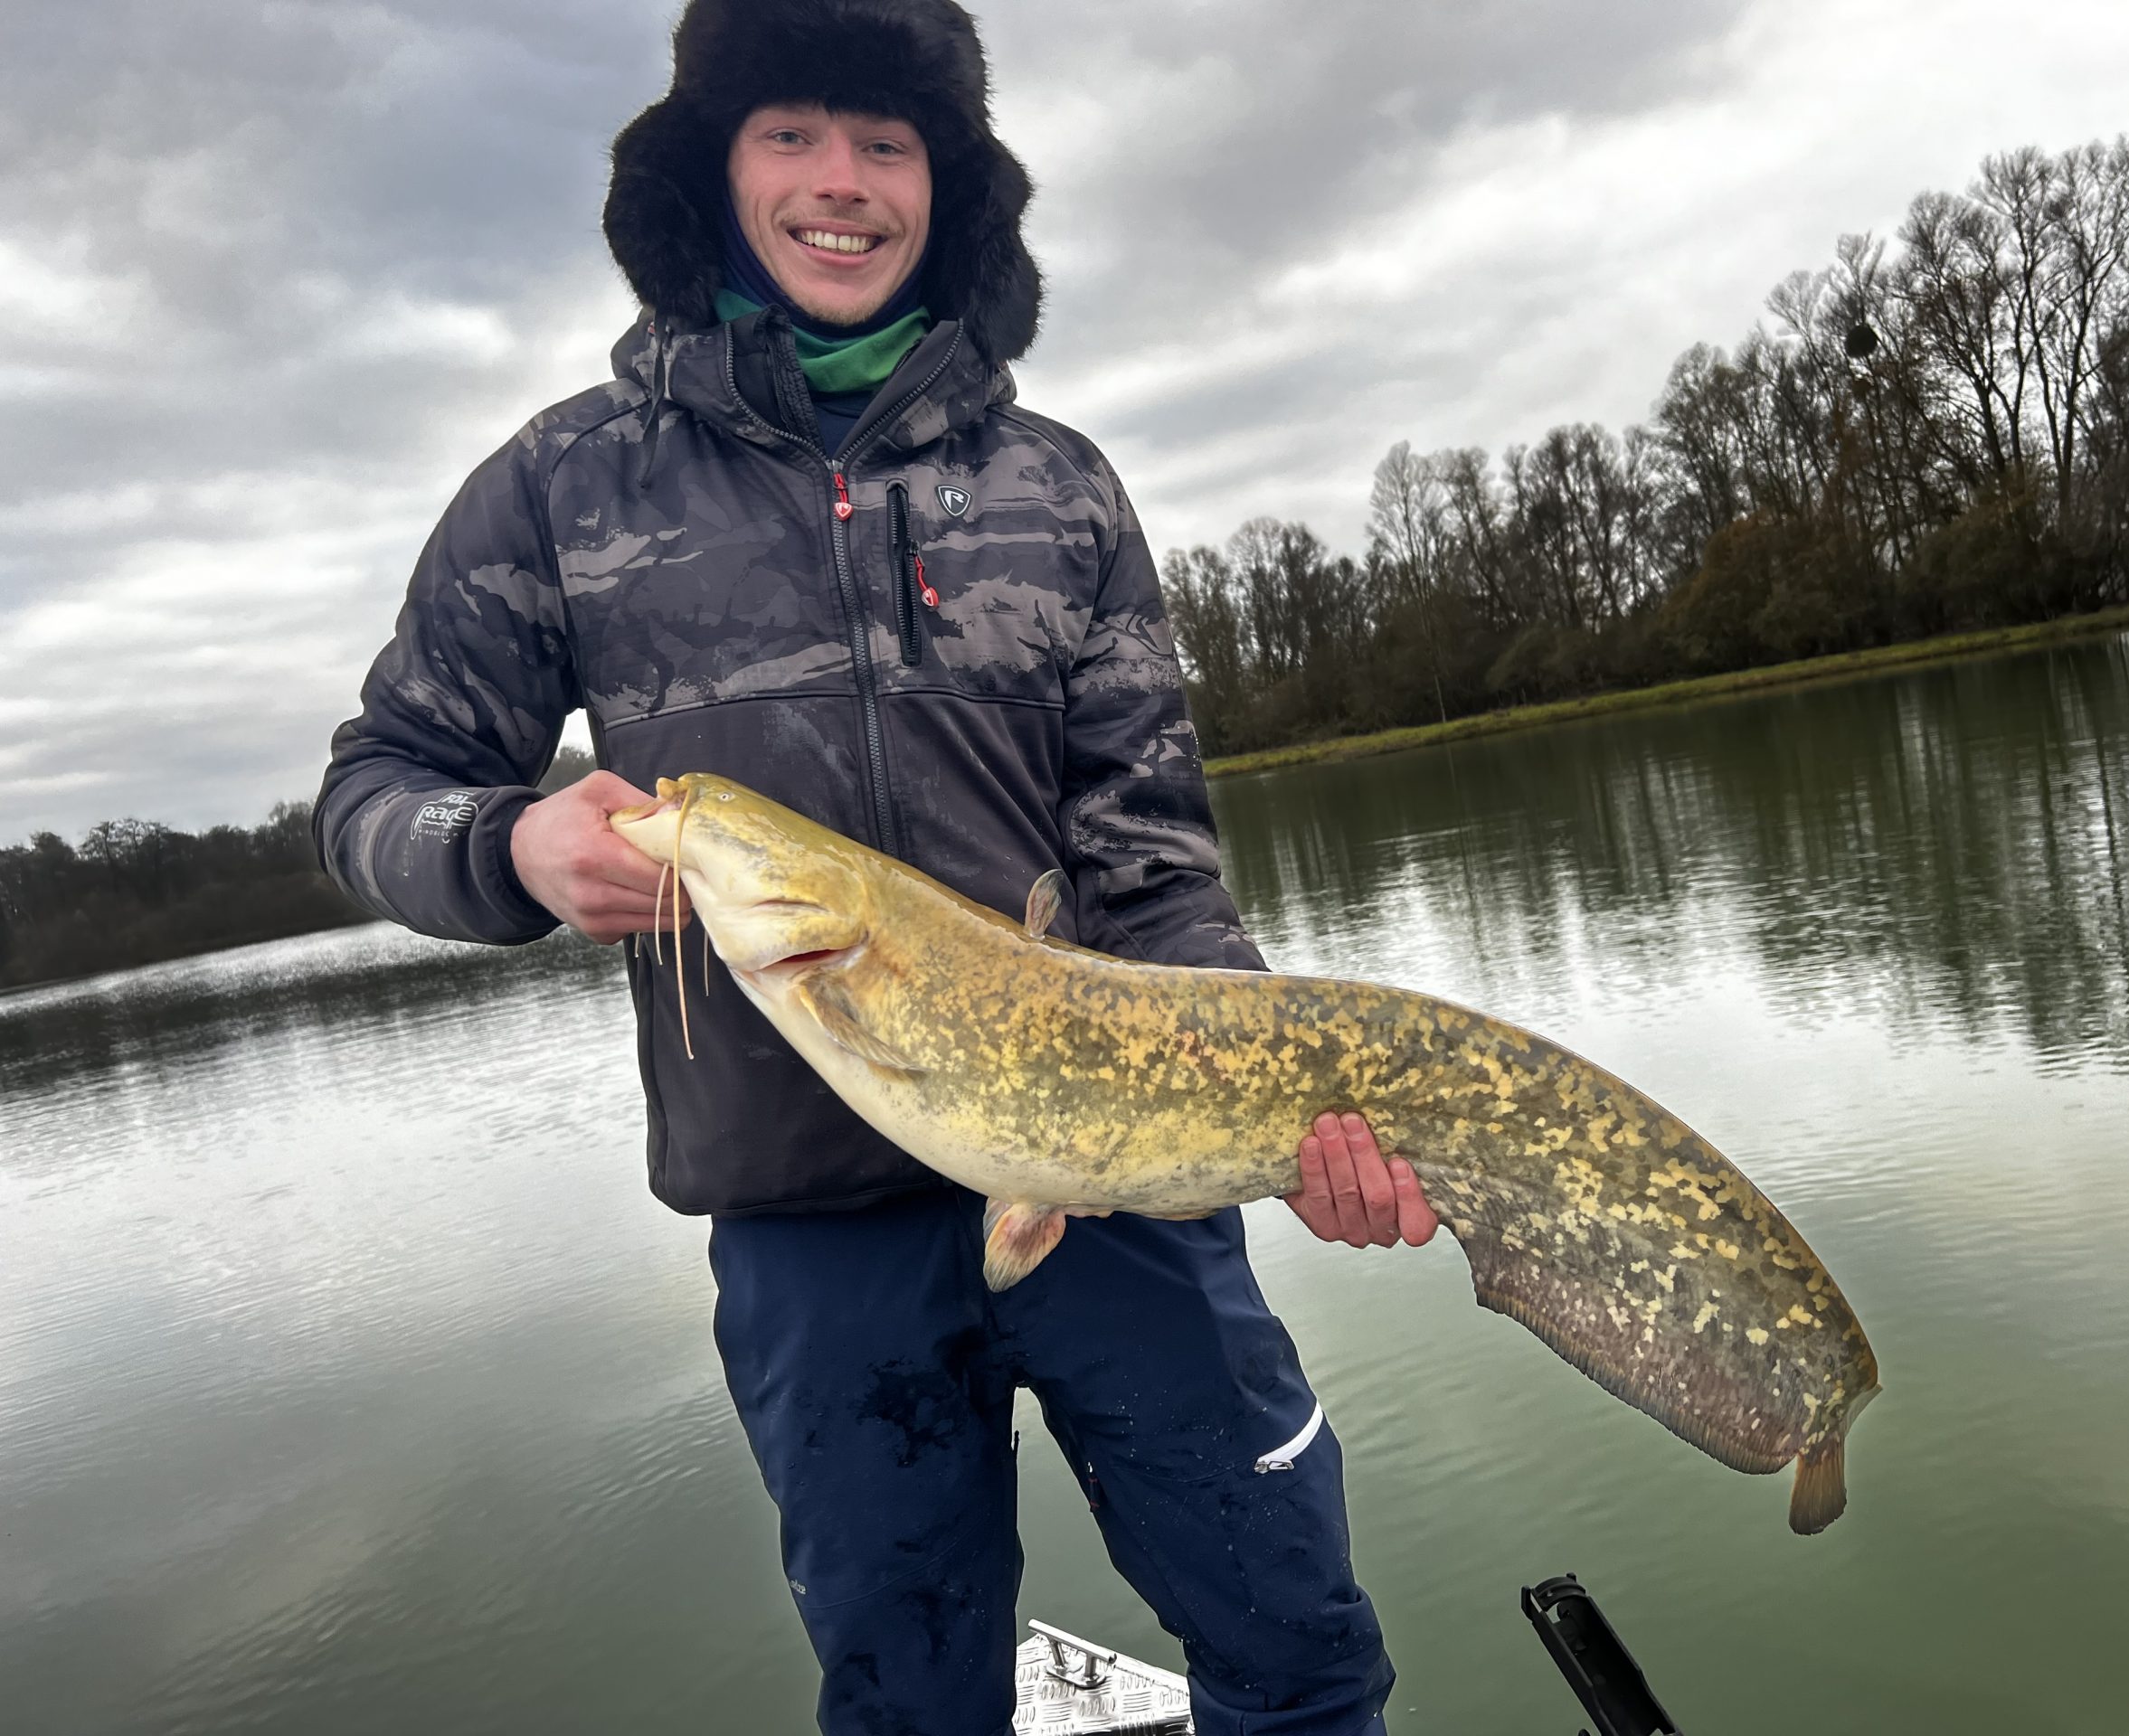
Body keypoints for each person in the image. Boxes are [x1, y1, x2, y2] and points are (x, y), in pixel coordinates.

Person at [316, 2, 1434, 1729]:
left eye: (887, 143)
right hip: (811, 1242)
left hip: (1116, 1194)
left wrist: (1281, 1114)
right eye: (791, 132)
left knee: (1303, 1655)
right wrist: (510, 845)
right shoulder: (560, 487)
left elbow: (1152, 862)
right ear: (712, 168)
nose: (841, 182)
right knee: (913, 1701)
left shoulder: (1060, 490)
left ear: (946, 188)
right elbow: (376, 788)